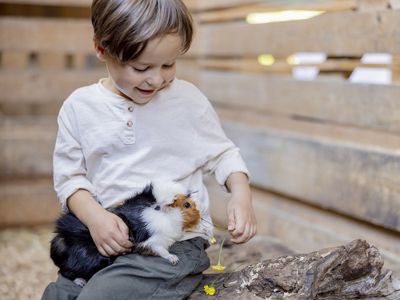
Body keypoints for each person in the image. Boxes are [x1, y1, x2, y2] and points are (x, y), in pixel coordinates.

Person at [42, 0, 257, 299]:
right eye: (141, 67)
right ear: (102, 49)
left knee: (101, 296)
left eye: (168, 64)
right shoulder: (79, 108)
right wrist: (95, 218)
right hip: (106, 241)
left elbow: (223, 154)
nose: (157, 79)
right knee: (58, 294)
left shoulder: (187, 101)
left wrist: (241, 194)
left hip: (171, 244)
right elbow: (69, 179)